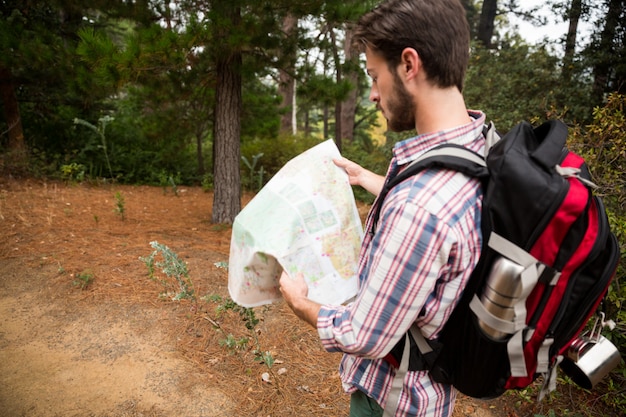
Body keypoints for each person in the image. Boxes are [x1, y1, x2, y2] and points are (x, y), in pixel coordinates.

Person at [279, 0, 486, 415]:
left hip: (392, 401)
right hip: (430, 393)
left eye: (375, 76)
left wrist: (300, 302)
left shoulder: (420, 207)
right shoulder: (478, 142)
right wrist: (371, 180)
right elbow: (448, 220)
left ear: (409, 65)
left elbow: (365, 335)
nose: (373, 93)